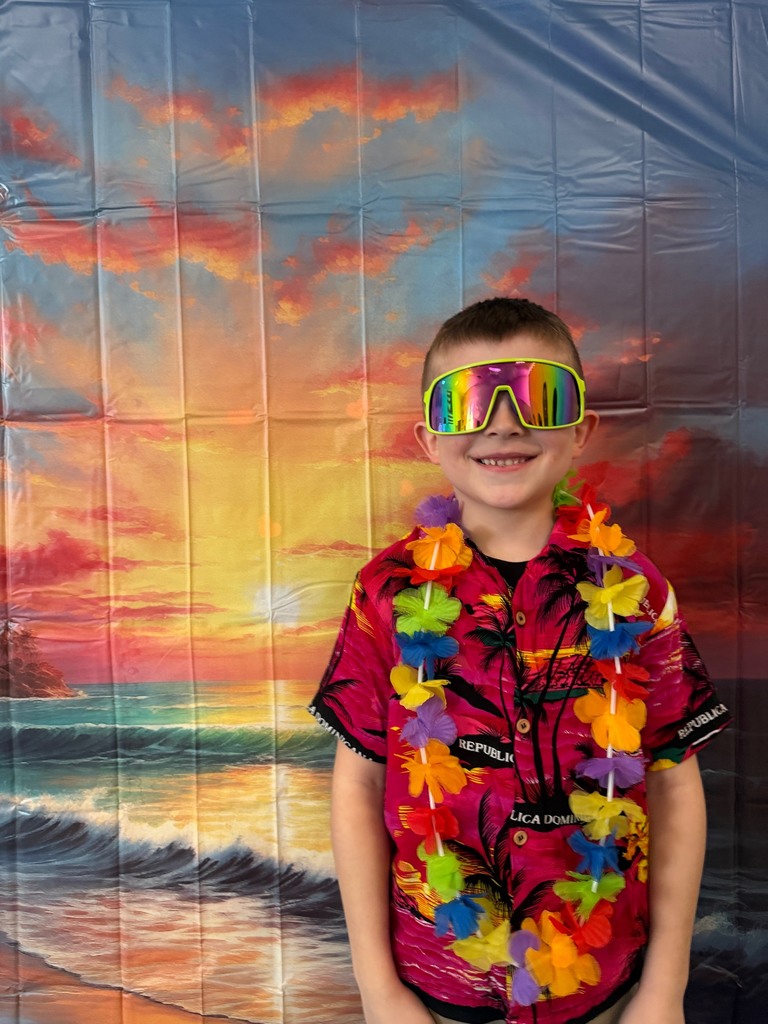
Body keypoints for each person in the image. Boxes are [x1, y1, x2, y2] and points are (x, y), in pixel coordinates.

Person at [309, 297, 731, 1024]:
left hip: (605, 986)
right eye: (467, 403)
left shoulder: (636, 593)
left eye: (541, 397)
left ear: (580, 431)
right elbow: (359, 785)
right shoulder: (384, 593)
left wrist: (666, 990)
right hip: (439, 991)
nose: (503, 422)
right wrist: (379, 992)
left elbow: (672, 787)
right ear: (430, 438)